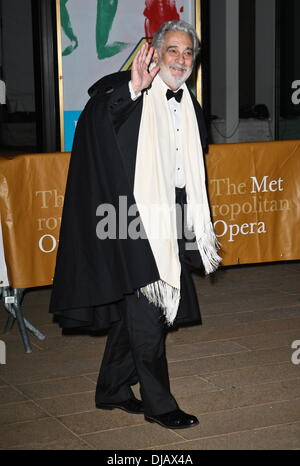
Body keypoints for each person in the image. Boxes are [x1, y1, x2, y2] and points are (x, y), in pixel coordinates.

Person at [50, 20, 221, 430]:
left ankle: (111, 387)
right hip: (131, 219)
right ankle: (160, 404)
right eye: (172, 51)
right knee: (149, 313)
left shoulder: (190, 103)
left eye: (187, 53)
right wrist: (133, 87)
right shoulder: (125, 90)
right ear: (155, 53)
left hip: (173, 216)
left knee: (143, 310)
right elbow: (99, 119)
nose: (180, 60)